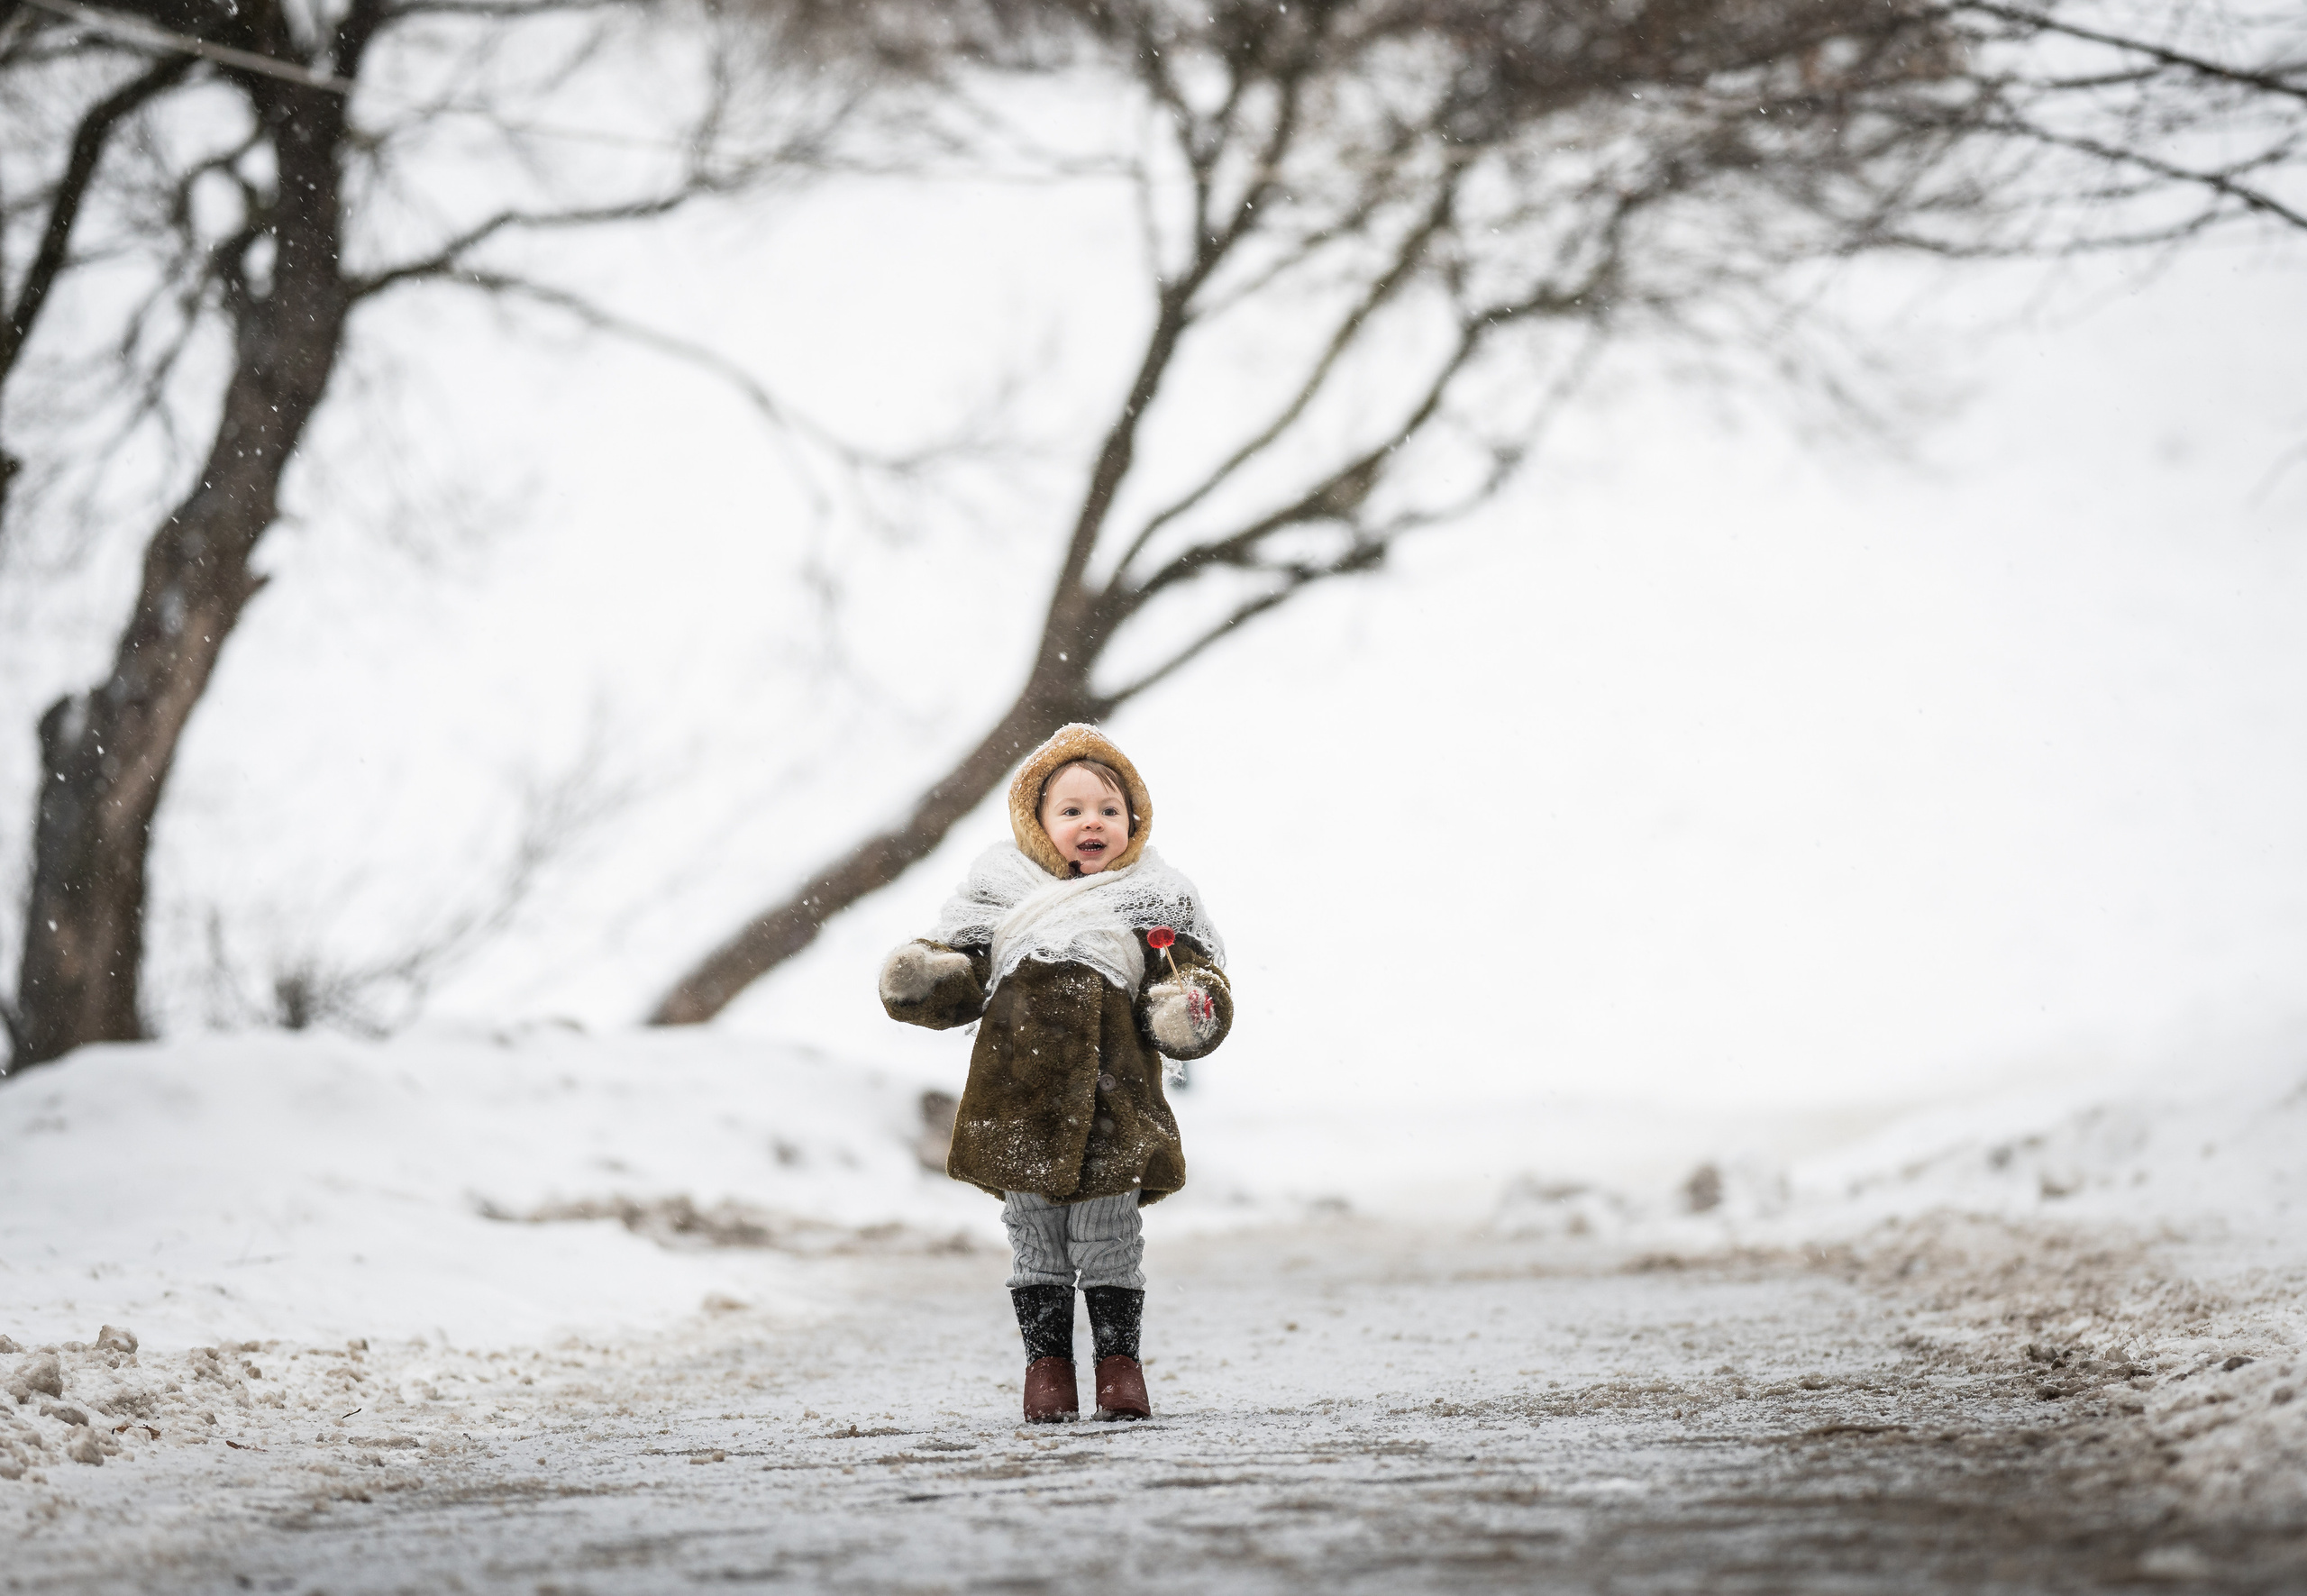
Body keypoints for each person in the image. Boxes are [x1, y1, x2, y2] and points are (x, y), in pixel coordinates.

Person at [878, 724, 1232, 1423]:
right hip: (1016, 1098)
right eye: (1070, 811)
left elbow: (1194, 977)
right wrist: (927, 977)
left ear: (1135, 819)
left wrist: (1189, 1010)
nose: (1091, 823)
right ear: (1036, 824)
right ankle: (1047, 1370)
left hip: (1115, 1098)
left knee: (1109, 1238)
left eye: (1108, 809)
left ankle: (1118, 1370)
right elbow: (962, 972)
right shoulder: (998, 891)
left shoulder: (1158, 897)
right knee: (1034, 1238)